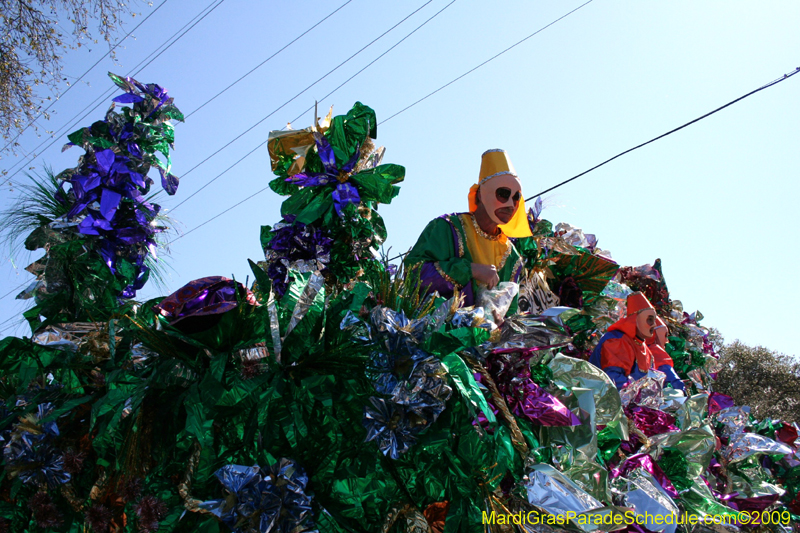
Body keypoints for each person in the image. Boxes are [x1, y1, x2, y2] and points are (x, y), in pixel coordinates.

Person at [406, 149, 532, 313]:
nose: (510, 205)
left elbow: (510, 310)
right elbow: (413, 274)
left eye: (516, 197)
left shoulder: (511, 257)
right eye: (503, 194)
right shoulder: (446, 228)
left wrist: (499, 319)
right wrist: (470, 270)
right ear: (480, 195)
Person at [590, 292, 662, 390]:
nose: (654, 325)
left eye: (654, 320)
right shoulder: (617, 340)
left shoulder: (646, 350)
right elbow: (614, 380)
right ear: (635, 320)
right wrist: (639, 393)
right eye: (650, 320)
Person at [646, 316, 686, 392]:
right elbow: (672, 380)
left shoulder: (638, 350)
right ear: (656, 334)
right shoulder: (656, 351)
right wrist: (680, 387)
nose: (667, 340)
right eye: (665, 335)